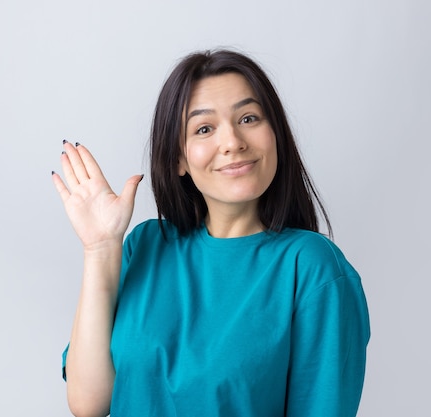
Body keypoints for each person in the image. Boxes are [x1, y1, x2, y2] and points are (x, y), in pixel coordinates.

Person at [51, 49, 370, 417]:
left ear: (275, 135)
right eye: (204, 128)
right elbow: (89, 402)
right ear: (179, 159)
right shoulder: (146, 246)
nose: (232, 141)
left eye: (248, 118)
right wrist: (100, 248)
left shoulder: (312, 268)